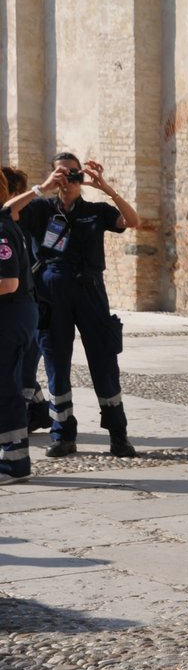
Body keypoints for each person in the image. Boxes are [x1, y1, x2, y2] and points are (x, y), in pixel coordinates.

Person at [3, 152, 143, 458]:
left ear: (82, 176)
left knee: (104, 361)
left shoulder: (96, 210)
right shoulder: (40, 208)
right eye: (61, 173)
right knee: (56, 363)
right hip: (51, 293)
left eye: (73, 173)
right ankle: (63, 433)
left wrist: (107, 188)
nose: (68, 179)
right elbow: (6, 212)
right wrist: (42, 187)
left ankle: (118, 434)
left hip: (90, 290)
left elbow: (132, 221)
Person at [0, 166, 47, 433]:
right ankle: (39, 412)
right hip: (19, 310)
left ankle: (14, 455)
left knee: (14, 382)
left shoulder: (6, 228)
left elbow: (8, 283)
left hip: (19, 311)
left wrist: (42, 188)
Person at [0, 190, 37, 482]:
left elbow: (8, 283)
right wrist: (40, 189)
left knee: (5, 387)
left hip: (10, 315)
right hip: (17, 314)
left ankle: (16, 462)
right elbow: (12, 205)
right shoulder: (5, 217)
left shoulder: (0, 229)